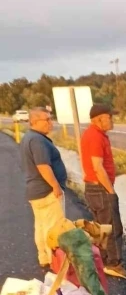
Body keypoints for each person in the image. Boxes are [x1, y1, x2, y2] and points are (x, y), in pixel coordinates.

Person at [81, 103, 126, 280]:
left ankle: (102, 261)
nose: (112, 120)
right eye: (109, 117)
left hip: (92, 188)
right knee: (112, 228)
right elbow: (97, 167)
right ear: (99, 119)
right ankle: (114, 264)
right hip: (100, 189)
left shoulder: (93, 134)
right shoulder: (95, 136)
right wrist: (110, 191)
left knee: (100, 228)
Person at [20, 108, 67, 269]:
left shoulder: (29, 137)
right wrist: (55, 186)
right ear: (34, 121)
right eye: (46, 120)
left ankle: (45, 257)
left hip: (36, 191)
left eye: (50, 119)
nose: (50, 123)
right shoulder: (38, 141)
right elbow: (43, 166)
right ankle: (55, 262)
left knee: (41, 226)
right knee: (54, 227)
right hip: (46, 191)